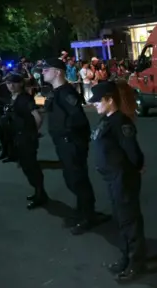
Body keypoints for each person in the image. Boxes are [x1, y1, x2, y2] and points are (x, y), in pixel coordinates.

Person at [88, 81, 147, 282]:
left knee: (129, 219)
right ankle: (126, 256)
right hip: (114, 178)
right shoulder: (107, 120)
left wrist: (137, 167)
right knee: (121, 219)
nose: (95, 104)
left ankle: (136, 262)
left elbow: (133, 151)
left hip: (123, 178)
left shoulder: (121, 122)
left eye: (98, 101)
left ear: (110, 100)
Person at [42, 58, 108, 235]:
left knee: (77, 179)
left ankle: (88, 216)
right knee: (72, 178)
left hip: (70, 143)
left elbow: (78, 119)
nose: (43, 72)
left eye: (46, 69)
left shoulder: (66, 93)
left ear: (57, 72)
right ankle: (83, 211)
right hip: (63, 143)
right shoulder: (56, 92)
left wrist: (72, 139)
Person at [5, 73, 47, 209]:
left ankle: (40, 194)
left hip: (26, 137)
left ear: (21, 84)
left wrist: (32, 132)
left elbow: (38, 117)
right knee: (26, 166)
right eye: (8, 83)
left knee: (31, 166)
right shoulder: (13, 98)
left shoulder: (25, 99)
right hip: (18, 136)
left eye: (14, 83)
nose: (11, 86)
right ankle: (39, 192)